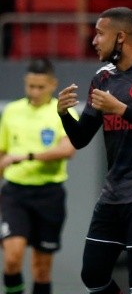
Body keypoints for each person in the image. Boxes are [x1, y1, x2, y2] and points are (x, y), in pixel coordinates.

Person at [56, 7, 132, 294]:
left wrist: (122, 109)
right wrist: (64, 115)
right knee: (93, 274)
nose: (94, 40)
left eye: (100, 33)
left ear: (121, 37)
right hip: (114, 192)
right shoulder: (102, 77)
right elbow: (80, 139)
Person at [0, 58, 76, 294]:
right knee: (12, 258)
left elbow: (67, 150)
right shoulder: (12, 111)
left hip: (49, 194)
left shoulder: (63, 112)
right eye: (30, 86)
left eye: (40, 87)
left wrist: (26, 156)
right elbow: (2, 154)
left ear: (53, 85)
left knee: (41, 268)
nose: (34, 91)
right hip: (15, 193)